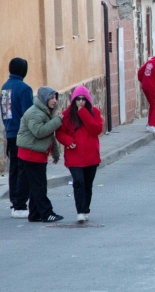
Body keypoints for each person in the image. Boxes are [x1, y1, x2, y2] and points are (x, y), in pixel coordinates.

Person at [55, 85, 104, 224]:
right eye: (78, 99)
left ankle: (85, 208)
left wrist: (84, 113)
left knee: (88, 184)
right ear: (74, 100)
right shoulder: (67, 114)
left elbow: (96, 129)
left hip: (91, 157)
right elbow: (60, 133)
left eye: (83, 99)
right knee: (78, 182)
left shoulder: (94, 112)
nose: (80, 102)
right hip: (74, 156)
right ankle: (80, 211)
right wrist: (68, 141)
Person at [17, 86, 63, 223]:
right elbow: (39, 131)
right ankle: (46, 213)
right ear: (44, 98)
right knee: (39, 186)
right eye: (51, 97)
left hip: (37, 154)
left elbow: (49, 136)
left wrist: (55, 153)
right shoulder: (35, 113)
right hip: (31, 154)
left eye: (56, 97)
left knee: (37, 185)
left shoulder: (44, 112)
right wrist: (58, 121)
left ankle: (35, 214)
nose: (54, 101)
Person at [0, 58, 34, 219]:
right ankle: (20, 205)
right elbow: (29, 114)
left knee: (14, 169)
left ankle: (14, 202)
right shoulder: (24, 88)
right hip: (23, 134)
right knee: (23, 170)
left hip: (10, 133)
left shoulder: (5, 88)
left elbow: (5, 114)